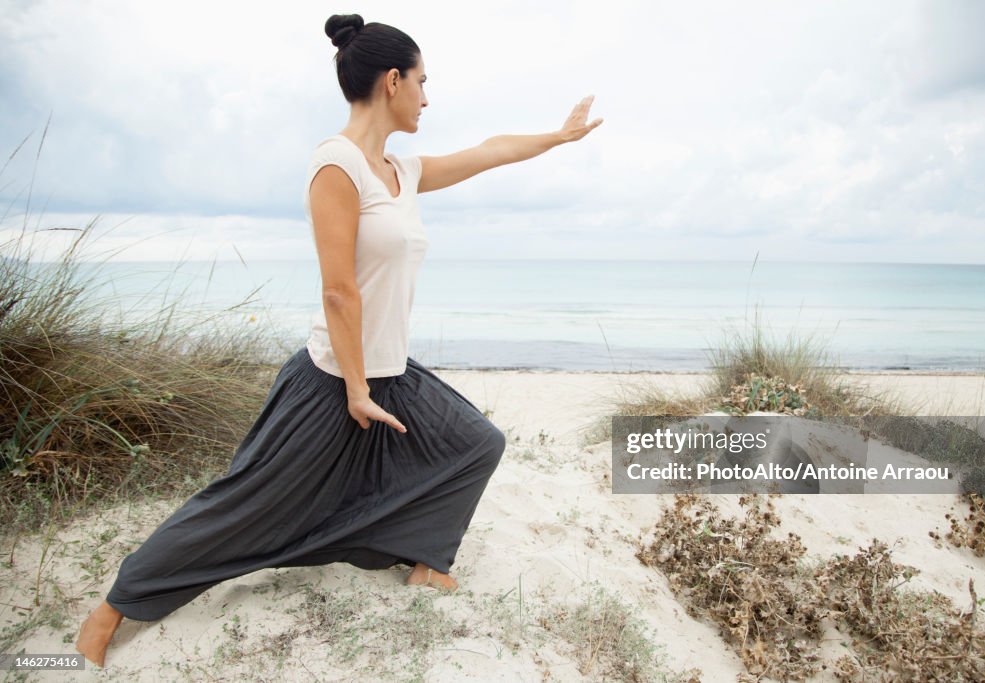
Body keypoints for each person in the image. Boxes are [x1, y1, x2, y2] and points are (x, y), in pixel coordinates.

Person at [75, 12, 602, 668]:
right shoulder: (336, 165)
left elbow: (487, 151)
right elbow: (338, 291)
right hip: (331, 381)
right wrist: (355, 387)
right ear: (392, 82)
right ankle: (110, 611)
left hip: (390, 373)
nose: (427, 97)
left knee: (475, 443)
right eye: (422, 82)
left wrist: (558, 137)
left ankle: (423, 562)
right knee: (243, 503)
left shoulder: (400, 172)